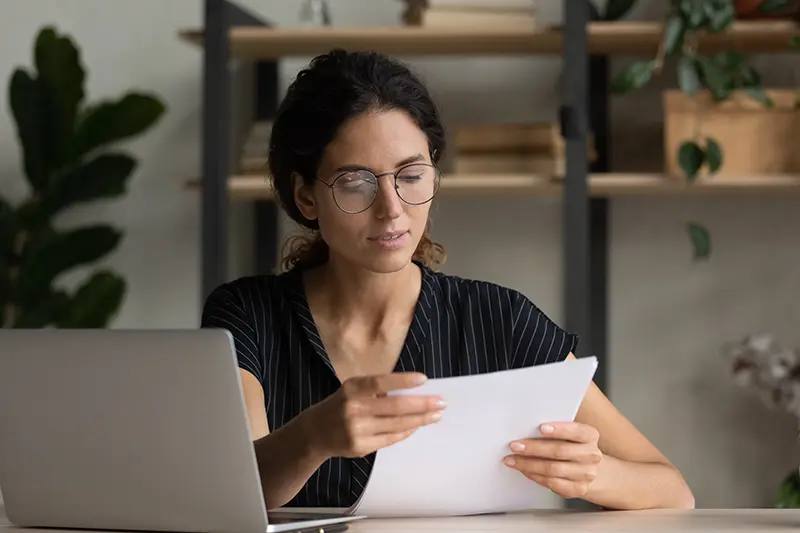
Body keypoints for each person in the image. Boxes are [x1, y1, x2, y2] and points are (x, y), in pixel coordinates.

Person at [201, 49, 695, 512]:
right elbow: (233, 497)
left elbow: (673, 491)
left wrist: (593, 474)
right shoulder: (246, 315)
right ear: (305, 196)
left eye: (411, 175)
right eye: (355, 182)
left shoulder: (498, 318)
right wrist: (312, 437)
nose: (392, 210)